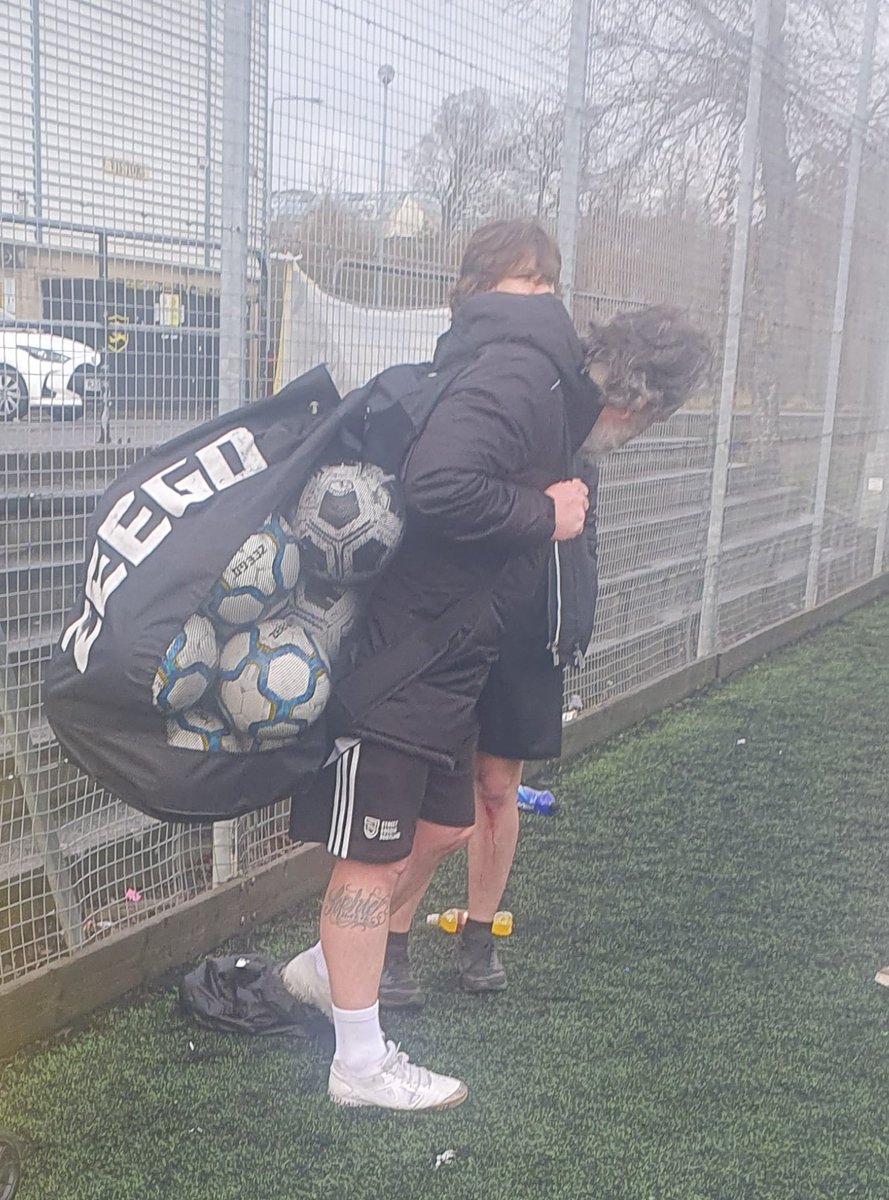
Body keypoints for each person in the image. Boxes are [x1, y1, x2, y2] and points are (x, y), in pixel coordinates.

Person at [283, 218, 603, 1111]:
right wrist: (546, 515)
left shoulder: (495, 359)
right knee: (366, 860)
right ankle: (358, 1063)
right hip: (400, 658)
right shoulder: (509, 369)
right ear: (531, 286)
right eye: (537, 284)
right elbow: (439, 486)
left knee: (445, 827)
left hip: (449, 656)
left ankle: (322, 969)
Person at [376, 304, 712, 1005]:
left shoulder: (582, 430)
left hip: (533, 629)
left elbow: (576, 535)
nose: (642, 431)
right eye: (651, 416)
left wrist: (570, 618)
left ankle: (478, 934)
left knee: (498, 787)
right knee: (432, 797)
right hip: (461, 619)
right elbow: (452, 492)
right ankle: (387, 940)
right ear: (638, 398)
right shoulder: (528, 396)